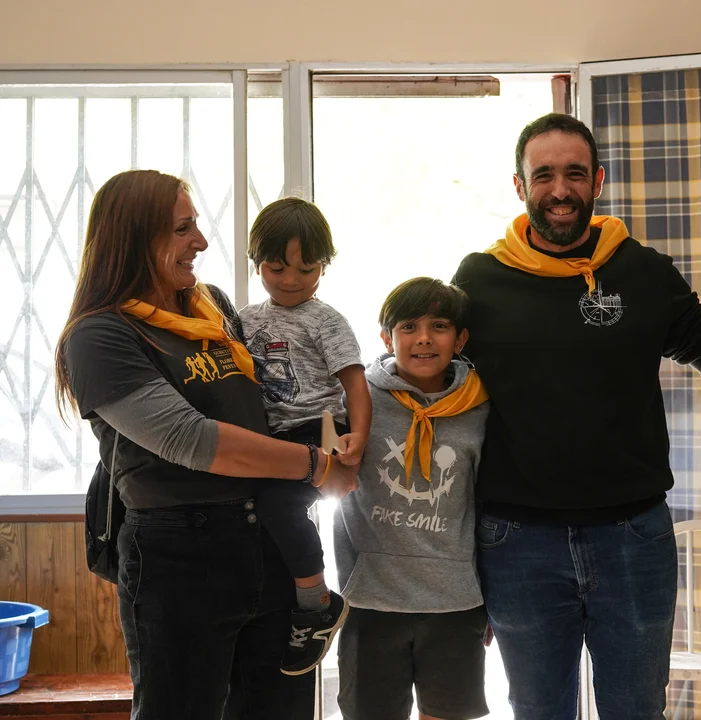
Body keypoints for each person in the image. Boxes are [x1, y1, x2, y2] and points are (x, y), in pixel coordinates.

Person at [450, 113, 701, 719]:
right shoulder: (479, 279)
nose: (559, 190)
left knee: (637, 711)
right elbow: (433, 376)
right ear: (520, 186)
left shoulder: (643, 271)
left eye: (574, 174)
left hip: (633, 538)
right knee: (539, 712)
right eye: (544, 175)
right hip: (517, 542)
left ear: (597, 180)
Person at [54, 169, 358, 720]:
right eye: (182, 229)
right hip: (180, 553)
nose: (200, 241)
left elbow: (281, 395)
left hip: (266, 534)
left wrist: (344, 431)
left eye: (195, 225)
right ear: (134, 238)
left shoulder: (211, 305)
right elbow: (190, 439)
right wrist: (316, 465)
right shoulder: (100, 335)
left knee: (280, 709)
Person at [333, 277, 491, 720]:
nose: (424, 338)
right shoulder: (356, 398)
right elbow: (323, 464)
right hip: (369, 598)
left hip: (455, 601)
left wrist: (492, 596)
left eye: (439, 326)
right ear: (387, 338)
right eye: (408, 326)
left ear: (460, 339)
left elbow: (487, 504)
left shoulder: (481, 405)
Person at [239, 197, 371, 675]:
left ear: (324, 266)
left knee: (278, 505)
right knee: (259, 508)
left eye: (306, 268)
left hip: (322, 428)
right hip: (273, 435)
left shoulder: (326, 320)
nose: (292, 280)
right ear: (256, 263)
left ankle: (317, 604)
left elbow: (355, 384)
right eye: (277, 268)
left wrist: (357, 440)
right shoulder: (244, 319)